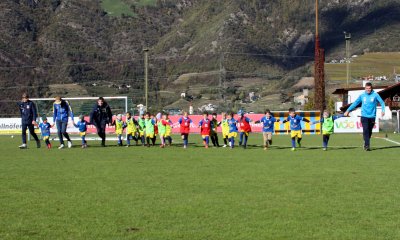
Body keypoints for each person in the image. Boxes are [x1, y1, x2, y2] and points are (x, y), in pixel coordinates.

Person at [344, 82, 385, 151]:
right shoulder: (362, 95)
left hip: (372, 116)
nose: (368, 90)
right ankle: (367, 145)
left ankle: (366, 141)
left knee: (369, 132)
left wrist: (383, 110)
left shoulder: (375, 95)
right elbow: (355, 103)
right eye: (367, 88)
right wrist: (348, 110)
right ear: (365, 88)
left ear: (371, 88)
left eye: (369, 88)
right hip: (364, 116)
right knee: (365, 130)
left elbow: (382, 102)